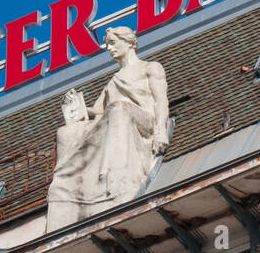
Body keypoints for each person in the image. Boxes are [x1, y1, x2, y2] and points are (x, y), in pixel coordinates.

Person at [45, 26, 170, 231]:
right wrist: (77, 107)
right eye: (107, 45)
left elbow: (160, 101)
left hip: (143, 122)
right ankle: (64, 190)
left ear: (128, 42)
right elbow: (98, 112)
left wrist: (160, 130)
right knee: (66, 133)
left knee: (118, 108)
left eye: (113, 43)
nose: (109, 48)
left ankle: (115, 178)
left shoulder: (150, 68)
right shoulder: (113, 81)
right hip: (117, 118)